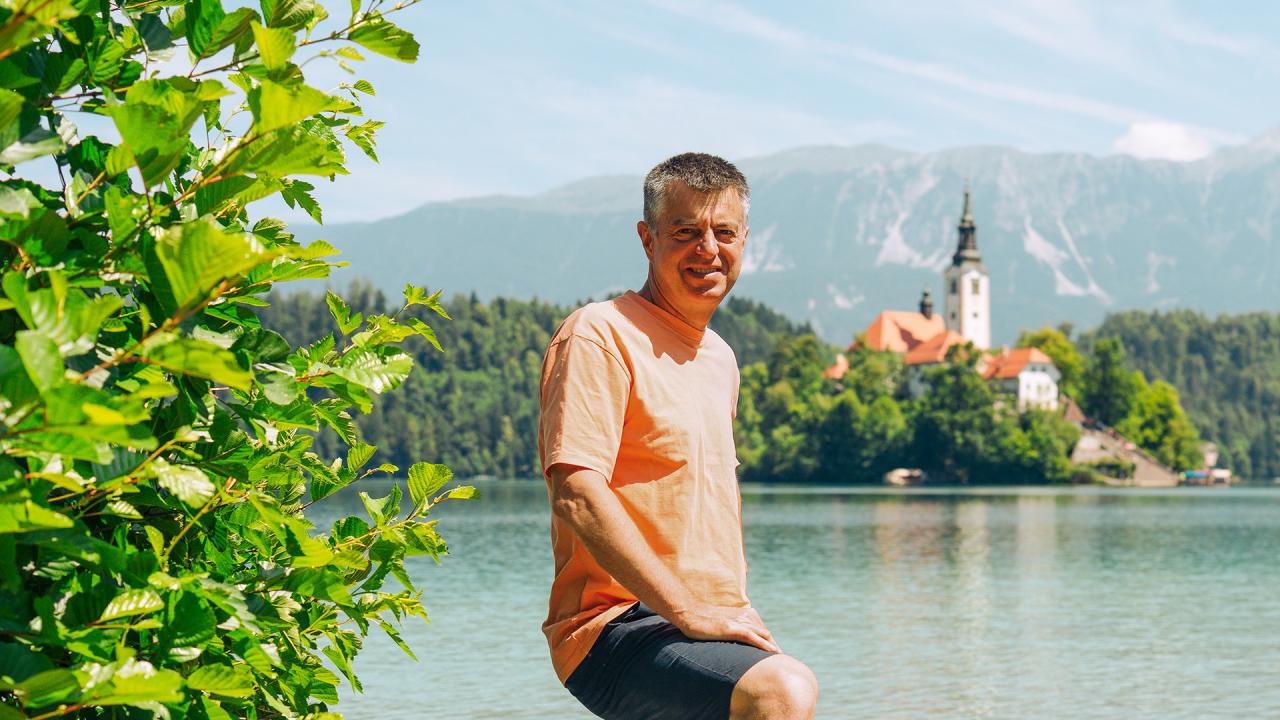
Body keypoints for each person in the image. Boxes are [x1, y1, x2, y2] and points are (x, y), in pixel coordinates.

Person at [538, 153, 819, 719]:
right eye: (685, 232)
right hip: (614, 626)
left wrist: (723, 611)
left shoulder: (721, 359)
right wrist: (687, 610)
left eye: (724, 233)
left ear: (744, 241)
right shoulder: (599, 334)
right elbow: (577, 493)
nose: (707, 249)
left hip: (710, 621)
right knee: (781, 692)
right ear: (648, 239)